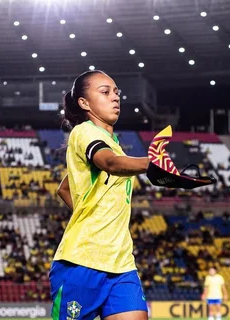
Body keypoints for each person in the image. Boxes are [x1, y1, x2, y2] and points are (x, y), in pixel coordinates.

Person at [50, 70, 151, 320]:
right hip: (81, 262)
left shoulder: (113, 142)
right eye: (105, 92)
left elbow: (65, 187)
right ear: (84, 103)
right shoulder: (84, 132)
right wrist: (155, 165)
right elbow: (111, 164)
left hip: (122, 263)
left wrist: (94, 216)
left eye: (116, 92)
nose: (115, 97)